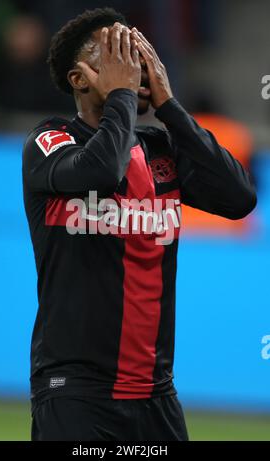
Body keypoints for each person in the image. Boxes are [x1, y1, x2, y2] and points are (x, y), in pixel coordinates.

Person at [22, 7, 257, 441]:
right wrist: (123, 98)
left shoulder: (160, 149)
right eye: (114, 56)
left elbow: (239, 198)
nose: (132, 66)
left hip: (157, 398)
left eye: (136, 52)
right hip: (75, 395)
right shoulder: (51, 141)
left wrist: (169, 105)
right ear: (79, 79)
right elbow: (101, 171)